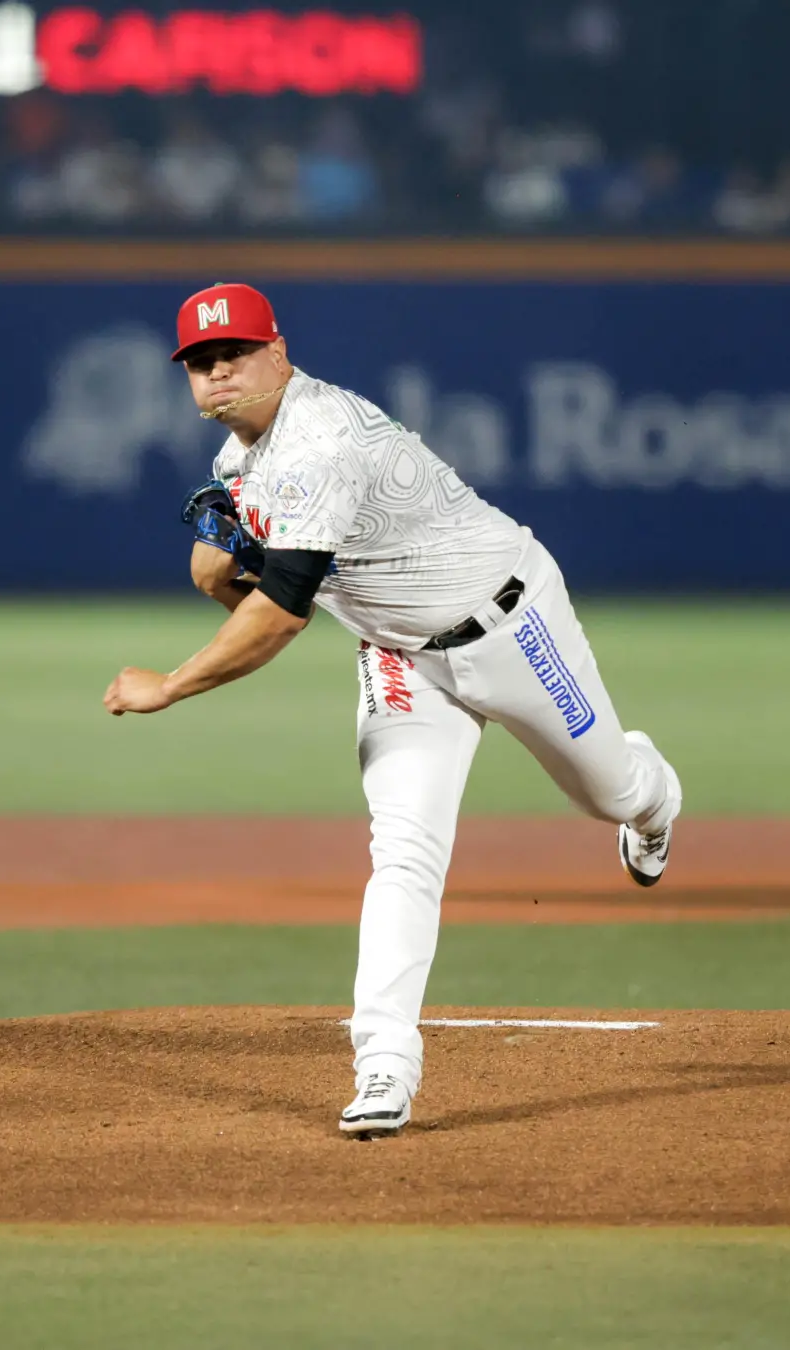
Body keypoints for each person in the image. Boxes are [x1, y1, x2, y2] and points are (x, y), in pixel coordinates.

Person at [102, 283, 683, 1136]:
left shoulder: (320, 441)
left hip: (510, 622)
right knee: (404, 852)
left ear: (280, 353)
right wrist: (220, 571)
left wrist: (172, 685)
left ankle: (654, 794)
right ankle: (383, 1067)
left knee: (611, 792)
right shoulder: (239, 463)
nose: (218, 375)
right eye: (201, 363)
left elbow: (282, 616)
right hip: (402, 655)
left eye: (235, 355)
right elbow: (247, 580)